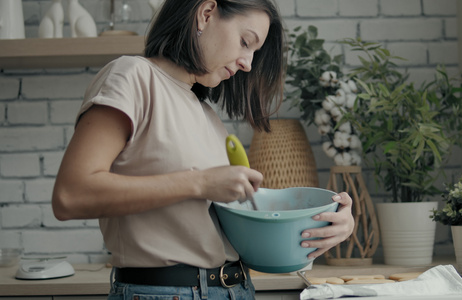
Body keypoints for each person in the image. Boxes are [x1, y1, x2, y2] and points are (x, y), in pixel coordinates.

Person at [52, 0, 354, 299]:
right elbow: (70, 195)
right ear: (206, 14)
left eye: (254, 52)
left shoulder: (207, 113)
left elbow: (231, 229)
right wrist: (200, 182)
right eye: (245, 42)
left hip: (235, 289)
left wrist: (325, 225)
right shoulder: (132, 76)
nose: (248, 63)